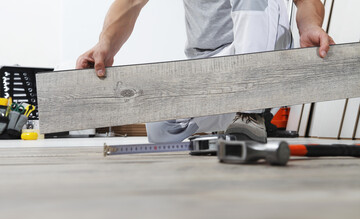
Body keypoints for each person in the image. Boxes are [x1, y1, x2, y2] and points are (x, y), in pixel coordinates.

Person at [76, 0, 334, 143]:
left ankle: (250, 114)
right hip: (213, 68)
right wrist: (106, 44)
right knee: (160, 129)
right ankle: (234, 115)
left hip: (263, 64)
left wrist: (310, 25)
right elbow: (131, 2)